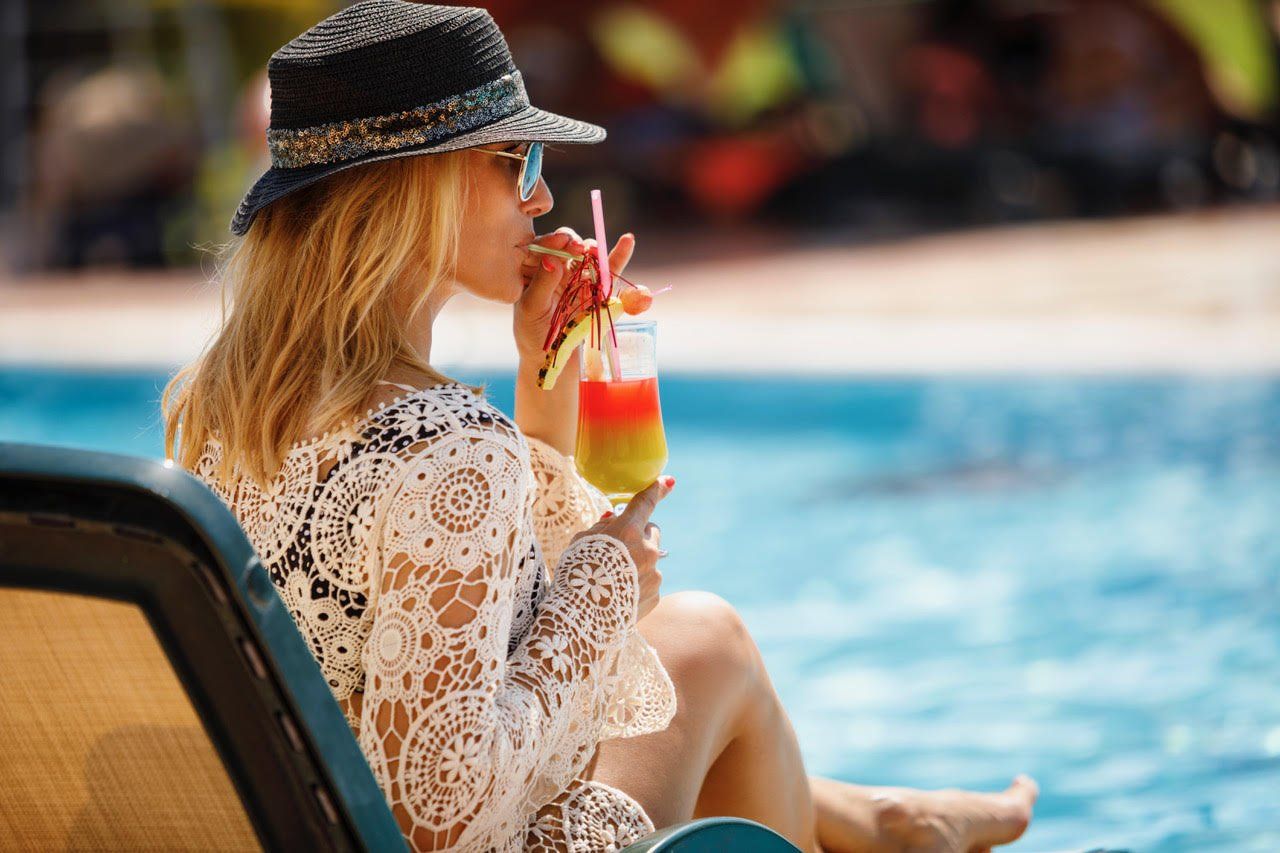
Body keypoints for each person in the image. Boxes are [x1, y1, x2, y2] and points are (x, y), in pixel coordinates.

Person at [163, 3, 1038, 851]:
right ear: (420, 183)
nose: (542, 196)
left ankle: (873, 817)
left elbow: (459, 646)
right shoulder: (442, 441)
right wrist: (600, 589)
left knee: (693, 649)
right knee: (710, 640)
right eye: (519, 161)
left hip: (302, 822)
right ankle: (876, 820)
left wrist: (542, 378)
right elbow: (440, 814)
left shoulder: (216, 407)